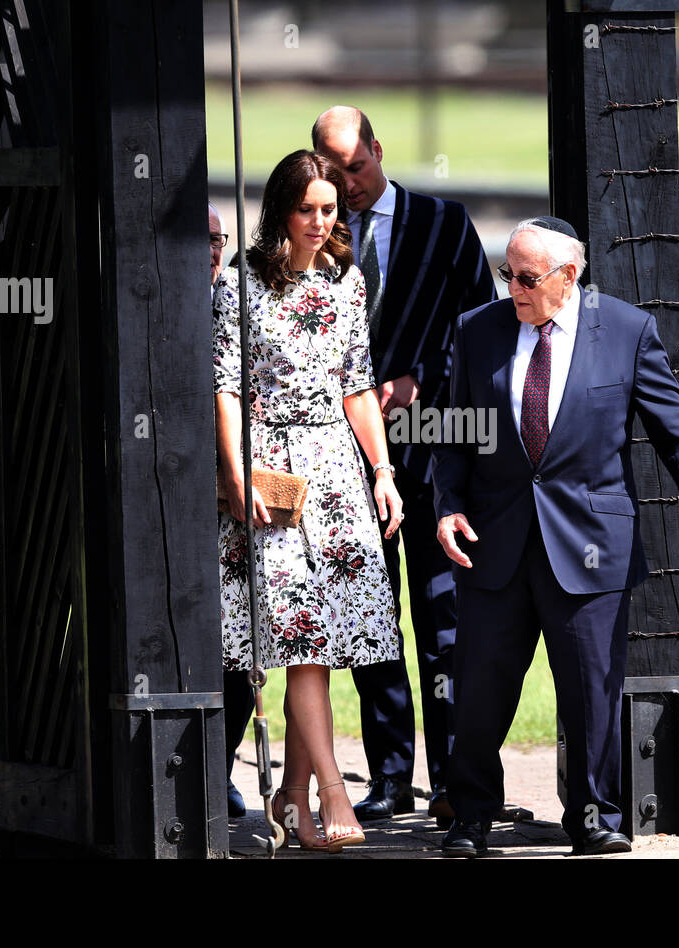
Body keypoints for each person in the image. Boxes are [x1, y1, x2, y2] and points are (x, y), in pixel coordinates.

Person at [431, 217, 679, 858]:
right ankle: (471, 815)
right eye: (506, 272)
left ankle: (594, 815)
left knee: (592, 689)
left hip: (591, 543)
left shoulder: (625, 331)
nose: (513, 287)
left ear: (569, 276)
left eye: (527, 277)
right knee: (480, 689)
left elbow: (676, 428)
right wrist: (448, 505)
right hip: (494, 544)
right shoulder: (477, 331)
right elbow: (453, 435)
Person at [214, 149, 404, 852]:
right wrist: (235, 476)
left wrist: (382, 469)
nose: (321, 221)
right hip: (272, 475)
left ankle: (290, 798)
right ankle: (330, 792)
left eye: (330, 208)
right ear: (282, 211)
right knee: (298, 635)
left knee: (320, 646)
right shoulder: (240, 285)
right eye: (308, 209)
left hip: (337, 471)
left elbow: (359, 385)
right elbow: (225, 387)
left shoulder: (348, 283)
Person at [312, 106, 497, 825]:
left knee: (446, 621)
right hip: (347, 457)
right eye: (333, 172)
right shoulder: (313, 232)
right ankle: (390, 778)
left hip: (434, 452)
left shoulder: (444, 222)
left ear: (379, 151)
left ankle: (456, 778)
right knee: (370, 624)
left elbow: (482, 328)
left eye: (357, 168)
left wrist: (425, 375)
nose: (349, 185)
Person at [209, 202, 255, 821]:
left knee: (242, 659)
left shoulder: (240, 303)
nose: (211, 250)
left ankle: (219, 766)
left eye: (219, 239)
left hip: (237, 507)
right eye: (200, 238)